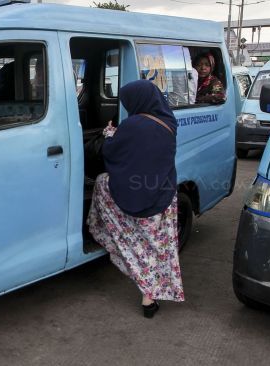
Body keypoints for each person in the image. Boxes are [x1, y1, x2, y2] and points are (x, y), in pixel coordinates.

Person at [87, 79, 184, 319]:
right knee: (158, 249)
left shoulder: (131, 125)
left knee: (101, 183)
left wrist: (110, 133)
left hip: (135, 198)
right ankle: (149, 299)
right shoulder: (169, 122)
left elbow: (112, 152)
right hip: (163, 199)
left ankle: (95, 228)